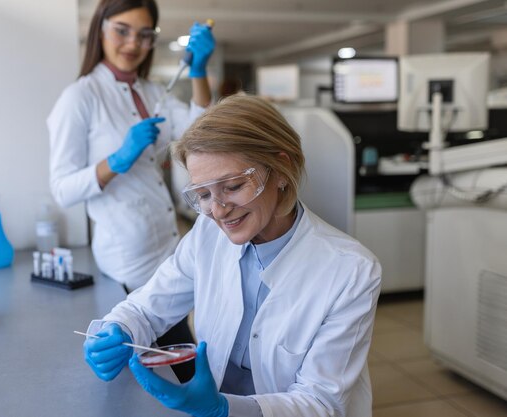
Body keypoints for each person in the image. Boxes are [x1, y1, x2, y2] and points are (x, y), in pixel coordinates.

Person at [83, 95, 382, 417]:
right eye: (203, 194)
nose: (218, 210)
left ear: (282, 169)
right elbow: (147, 307)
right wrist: (117, 329)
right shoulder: (206, 235)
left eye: (234, 186)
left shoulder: (352, 270)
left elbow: (321, 402)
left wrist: (224, 409)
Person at [47, 0, 215, 380]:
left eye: (144, 34)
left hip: (169, 252)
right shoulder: (80, 97)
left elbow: (200, 134)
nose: (132, 43)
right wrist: (117, 160)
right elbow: (62, 189)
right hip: (126, 266)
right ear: (101, 30)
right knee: (171, 371)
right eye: (122, 30)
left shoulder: (152, 90)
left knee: (183, 365)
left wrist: (199, 72)